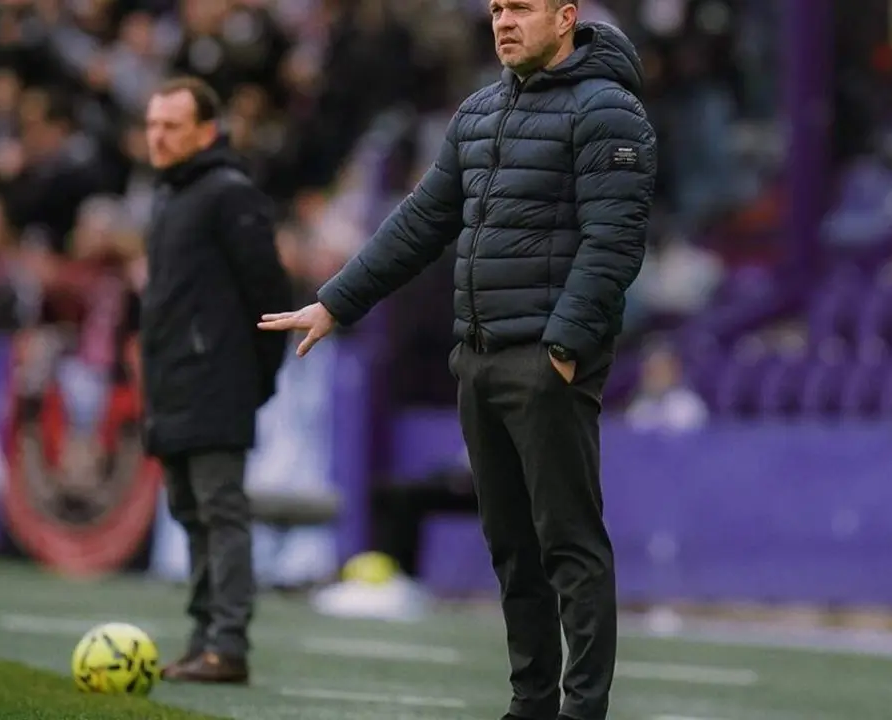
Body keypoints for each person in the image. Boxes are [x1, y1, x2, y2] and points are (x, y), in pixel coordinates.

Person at [259, 2, 656, 718]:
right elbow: (419, 222)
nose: (504, 20)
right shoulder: (479, 112)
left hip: (546, 361)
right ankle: (531, 704)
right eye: (498, 7)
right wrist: (337, 302)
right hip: (478, 357)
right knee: (512, 548)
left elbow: (614, 243)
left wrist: (562, 347)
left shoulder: (610, 112)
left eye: (522, 8)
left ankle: (583, 710)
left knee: (569, 545)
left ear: (565, 17)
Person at [140, 76, 292, 684]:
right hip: (172, 386)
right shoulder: (169, 196)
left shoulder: (230, 194)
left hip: (214, 384)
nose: (157, 137)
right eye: (152, 125)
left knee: (220, 513)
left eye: (170, 126)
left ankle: (227, 644)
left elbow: (269, 294)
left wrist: (253, 377)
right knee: (191, 514)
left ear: (207, 131)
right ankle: (205, 637)